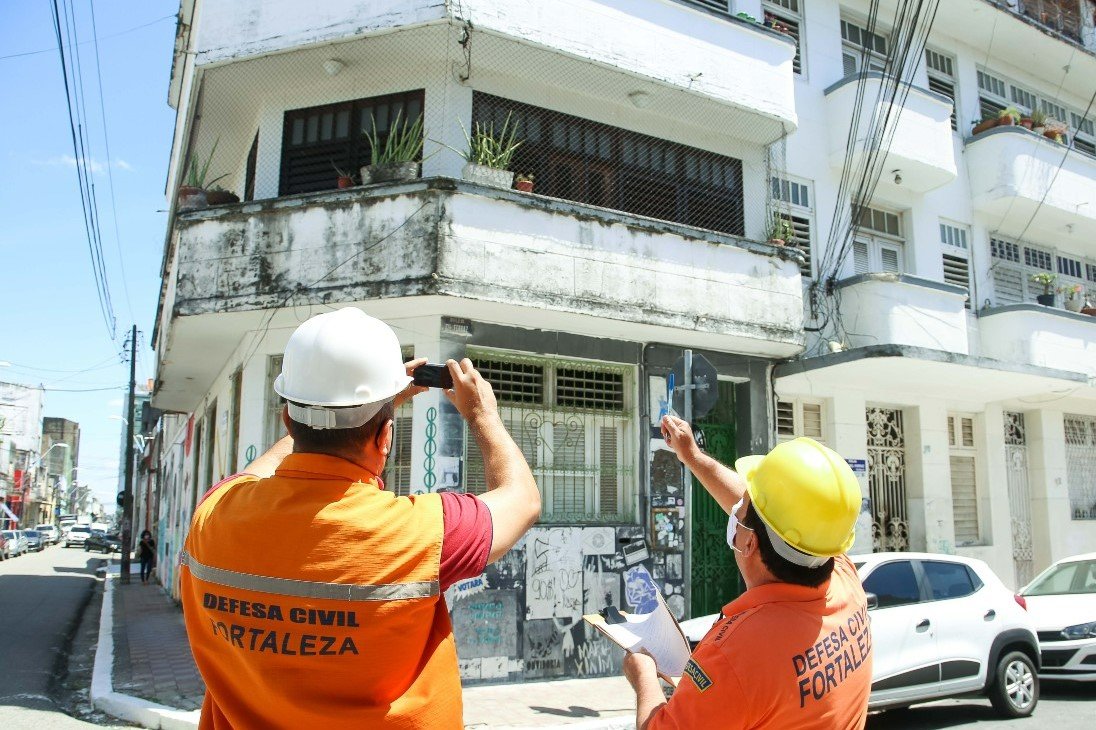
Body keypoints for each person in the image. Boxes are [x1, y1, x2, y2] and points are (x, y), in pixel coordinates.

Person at [178, 308, 540, 728]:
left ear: (287, 421)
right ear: (386, 437)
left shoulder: (215, 512)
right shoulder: (421, 532)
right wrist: (482, 415)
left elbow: (259, 468)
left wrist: (365, 404)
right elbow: (523, 499)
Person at [623, 415, 872, 729]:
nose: (736, 507)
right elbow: (776, 517)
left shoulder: (735, 656)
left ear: (749, 542)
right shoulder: (842, 575)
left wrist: (643, 673)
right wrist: (694, 458)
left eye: (740, 510)